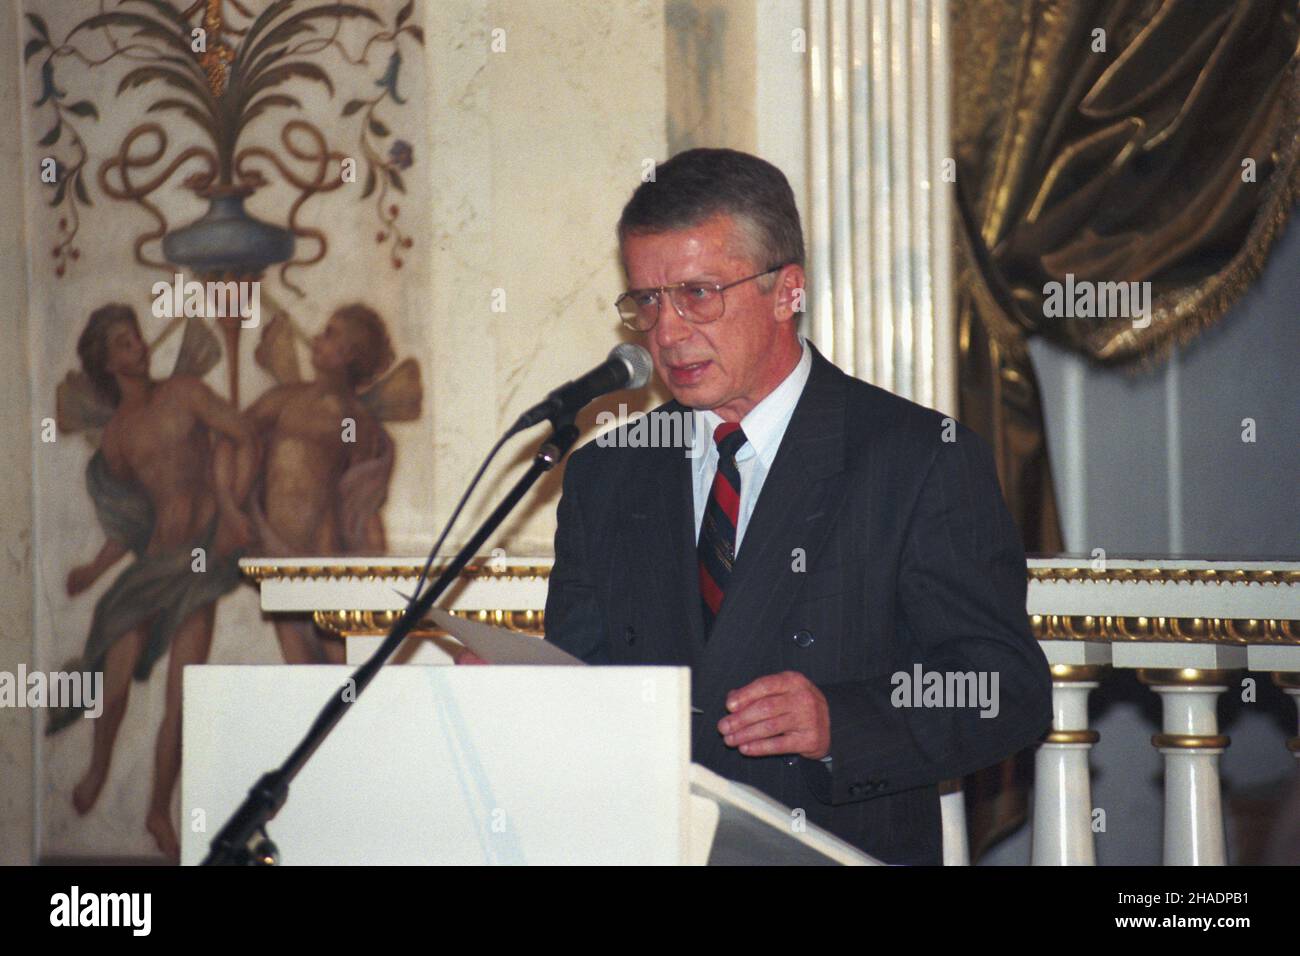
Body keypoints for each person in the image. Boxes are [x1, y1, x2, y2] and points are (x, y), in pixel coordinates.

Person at [478, 148, 1053, 865]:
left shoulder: (916, 457)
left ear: (786, 291)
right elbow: (593, 683)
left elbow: (1005, 687)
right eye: (647, 301)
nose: (667, 333)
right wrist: (520, 703)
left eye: (697, 294)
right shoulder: (606, 473)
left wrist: (840, 720)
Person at [56, 304, 257, 860]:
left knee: (183, 693)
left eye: (137, 338)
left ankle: (157, 810)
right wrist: (93, 571)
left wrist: (232, 510)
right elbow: (128, 524)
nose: (139, 348)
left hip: (202, 563)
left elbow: (241, 435)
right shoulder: (116, 438)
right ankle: (98, 768)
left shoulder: (186, 392)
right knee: (115, 680)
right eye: (123, 344)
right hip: (153, 568)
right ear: (106, 362)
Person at [244, 304, 397, 663]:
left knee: (340, 665)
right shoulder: (284, 400)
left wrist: (373, 573)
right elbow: (237, 436)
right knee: (300, 676)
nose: (315, 338)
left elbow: (360, 498)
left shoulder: (353, 420)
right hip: (276, 553)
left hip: (322, 558)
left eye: (329, 334)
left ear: (348, 355)